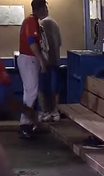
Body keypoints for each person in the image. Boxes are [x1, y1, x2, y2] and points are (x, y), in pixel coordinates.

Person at [17, 0, 49, 138]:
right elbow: (31, 41)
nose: (47, 10)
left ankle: (28, 124)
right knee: (31, 93)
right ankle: (25, 125)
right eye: (46, 7)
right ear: (40, 8)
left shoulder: (33, 21)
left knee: (29, 93)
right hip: (28, 59)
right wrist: (41, 59)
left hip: (28, 59)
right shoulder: (31, 21)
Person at [38, 14, 62, 122]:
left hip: (46, 61)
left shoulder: (42, 24)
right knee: (55, 87)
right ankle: (55, 111)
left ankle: (46, 111)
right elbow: (60, 42)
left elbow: (41, 44)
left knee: (44, 87)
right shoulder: (55, 24)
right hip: (56, 60)